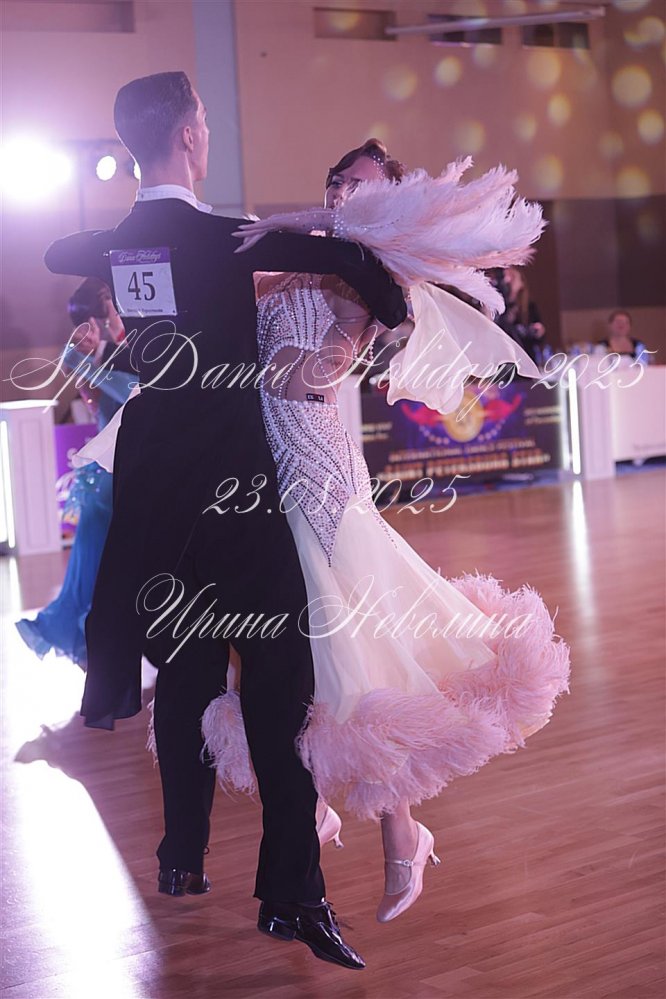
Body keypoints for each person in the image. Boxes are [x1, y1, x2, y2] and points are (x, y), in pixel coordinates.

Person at [43, 73, 407, 972]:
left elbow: (57, 251)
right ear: (189, 137)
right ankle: (293, 896)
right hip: (236, 500)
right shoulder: (226, 235)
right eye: (204, 121)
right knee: (280, 692)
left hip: (156, 506)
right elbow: (379, 288)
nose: (206, 132)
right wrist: (331, 244)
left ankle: (181, 854)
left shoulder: (128, 241)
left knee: (188, 675)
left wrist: (113, 242)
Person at [198, 140, 570, 923]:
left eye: (362, 184)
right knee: (280, 651)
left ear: (395, 201)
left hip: (320, 471)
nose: (344, 192)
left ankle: (402, 830)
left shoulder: (370, 268)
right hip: (266, 467)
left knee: (356, 660)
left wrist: (295, 244)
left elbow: (336, 340)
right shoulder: (303, 257)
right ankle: (316, 806)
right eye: (337, 181)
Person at [16, 280, 134, 668]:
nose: (115, 304)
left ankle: (99, 640)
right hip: (109, 472)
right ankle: (89, 640)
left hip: (118, 468)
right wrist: (87, 364)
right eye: (108, 300)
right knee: (95, 564)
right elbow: (120, 395)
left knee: (100, 562)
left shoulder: (114, 348)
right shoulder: (94, 354)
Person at [493, 266, 547, 365]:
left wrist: (538, 332)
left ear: (521, 282)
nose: (508, 280)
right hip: (502, 361)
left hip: (525, 360)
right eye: (505, 277)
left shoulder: (529, 308)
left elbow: (538, 336)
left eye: (512, 277)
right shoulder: (496, 308)